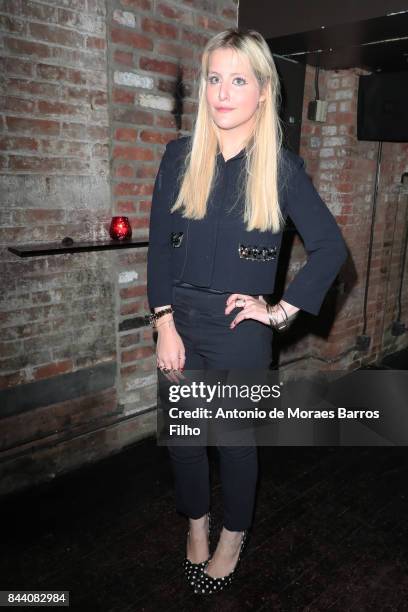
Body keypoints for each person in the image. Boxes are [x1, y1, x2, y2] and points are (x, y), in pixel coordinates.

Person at [146, 28, 348, 595]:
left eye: (238, 80)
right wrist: (163, 322)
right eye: (214, 78)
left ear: (263, 90)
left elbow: (332, 249)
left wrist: (281, 312)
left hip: (240, 333)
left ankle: (234, 537)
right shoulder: (178, 157)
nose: (222, 92)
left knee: (233, 443)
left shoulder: (280, 168)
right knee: (185, 440)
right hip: (178, 320)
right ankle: (196, 528)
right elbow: (159, 245)